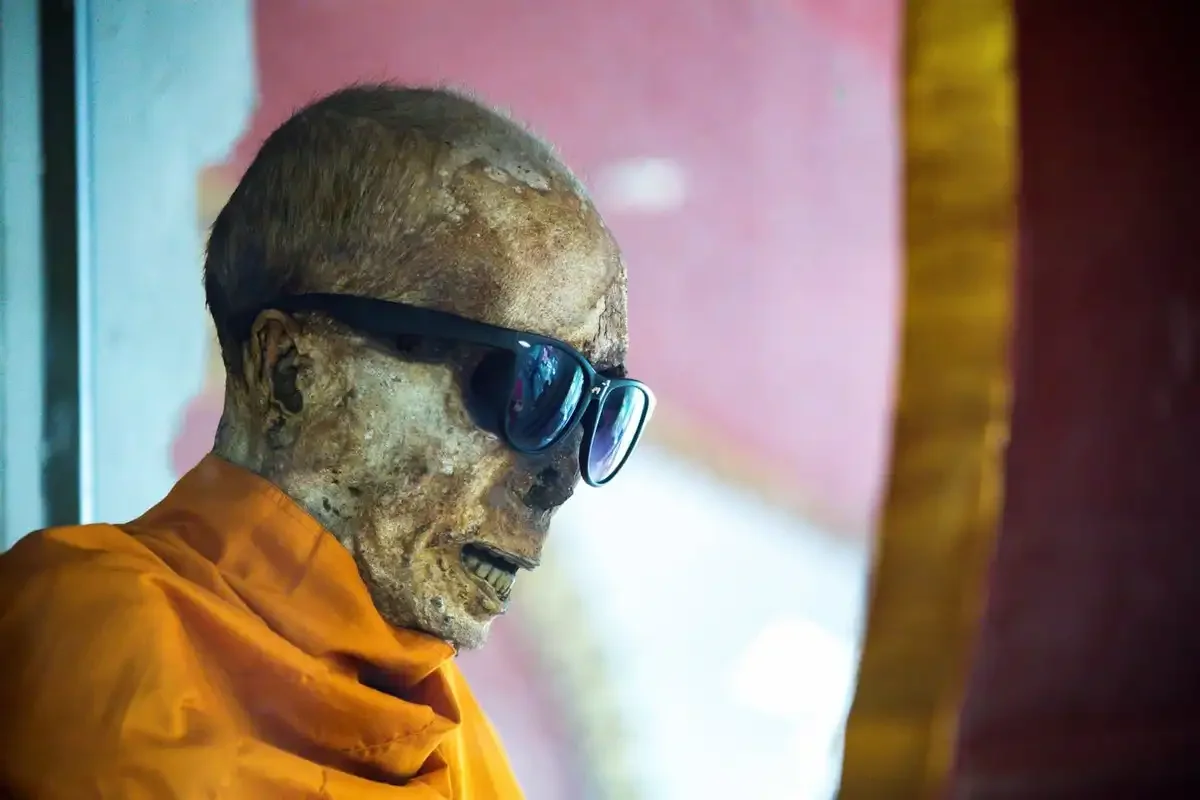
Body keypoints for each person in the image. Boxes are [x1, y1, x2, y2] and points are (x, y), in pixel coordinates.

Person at [0, 84, 654, 798]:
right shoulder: (78, 640)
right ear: (291, 372)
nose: (558, 479)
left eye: (598, 411)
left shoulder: (458, 743)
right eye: (531, 385)